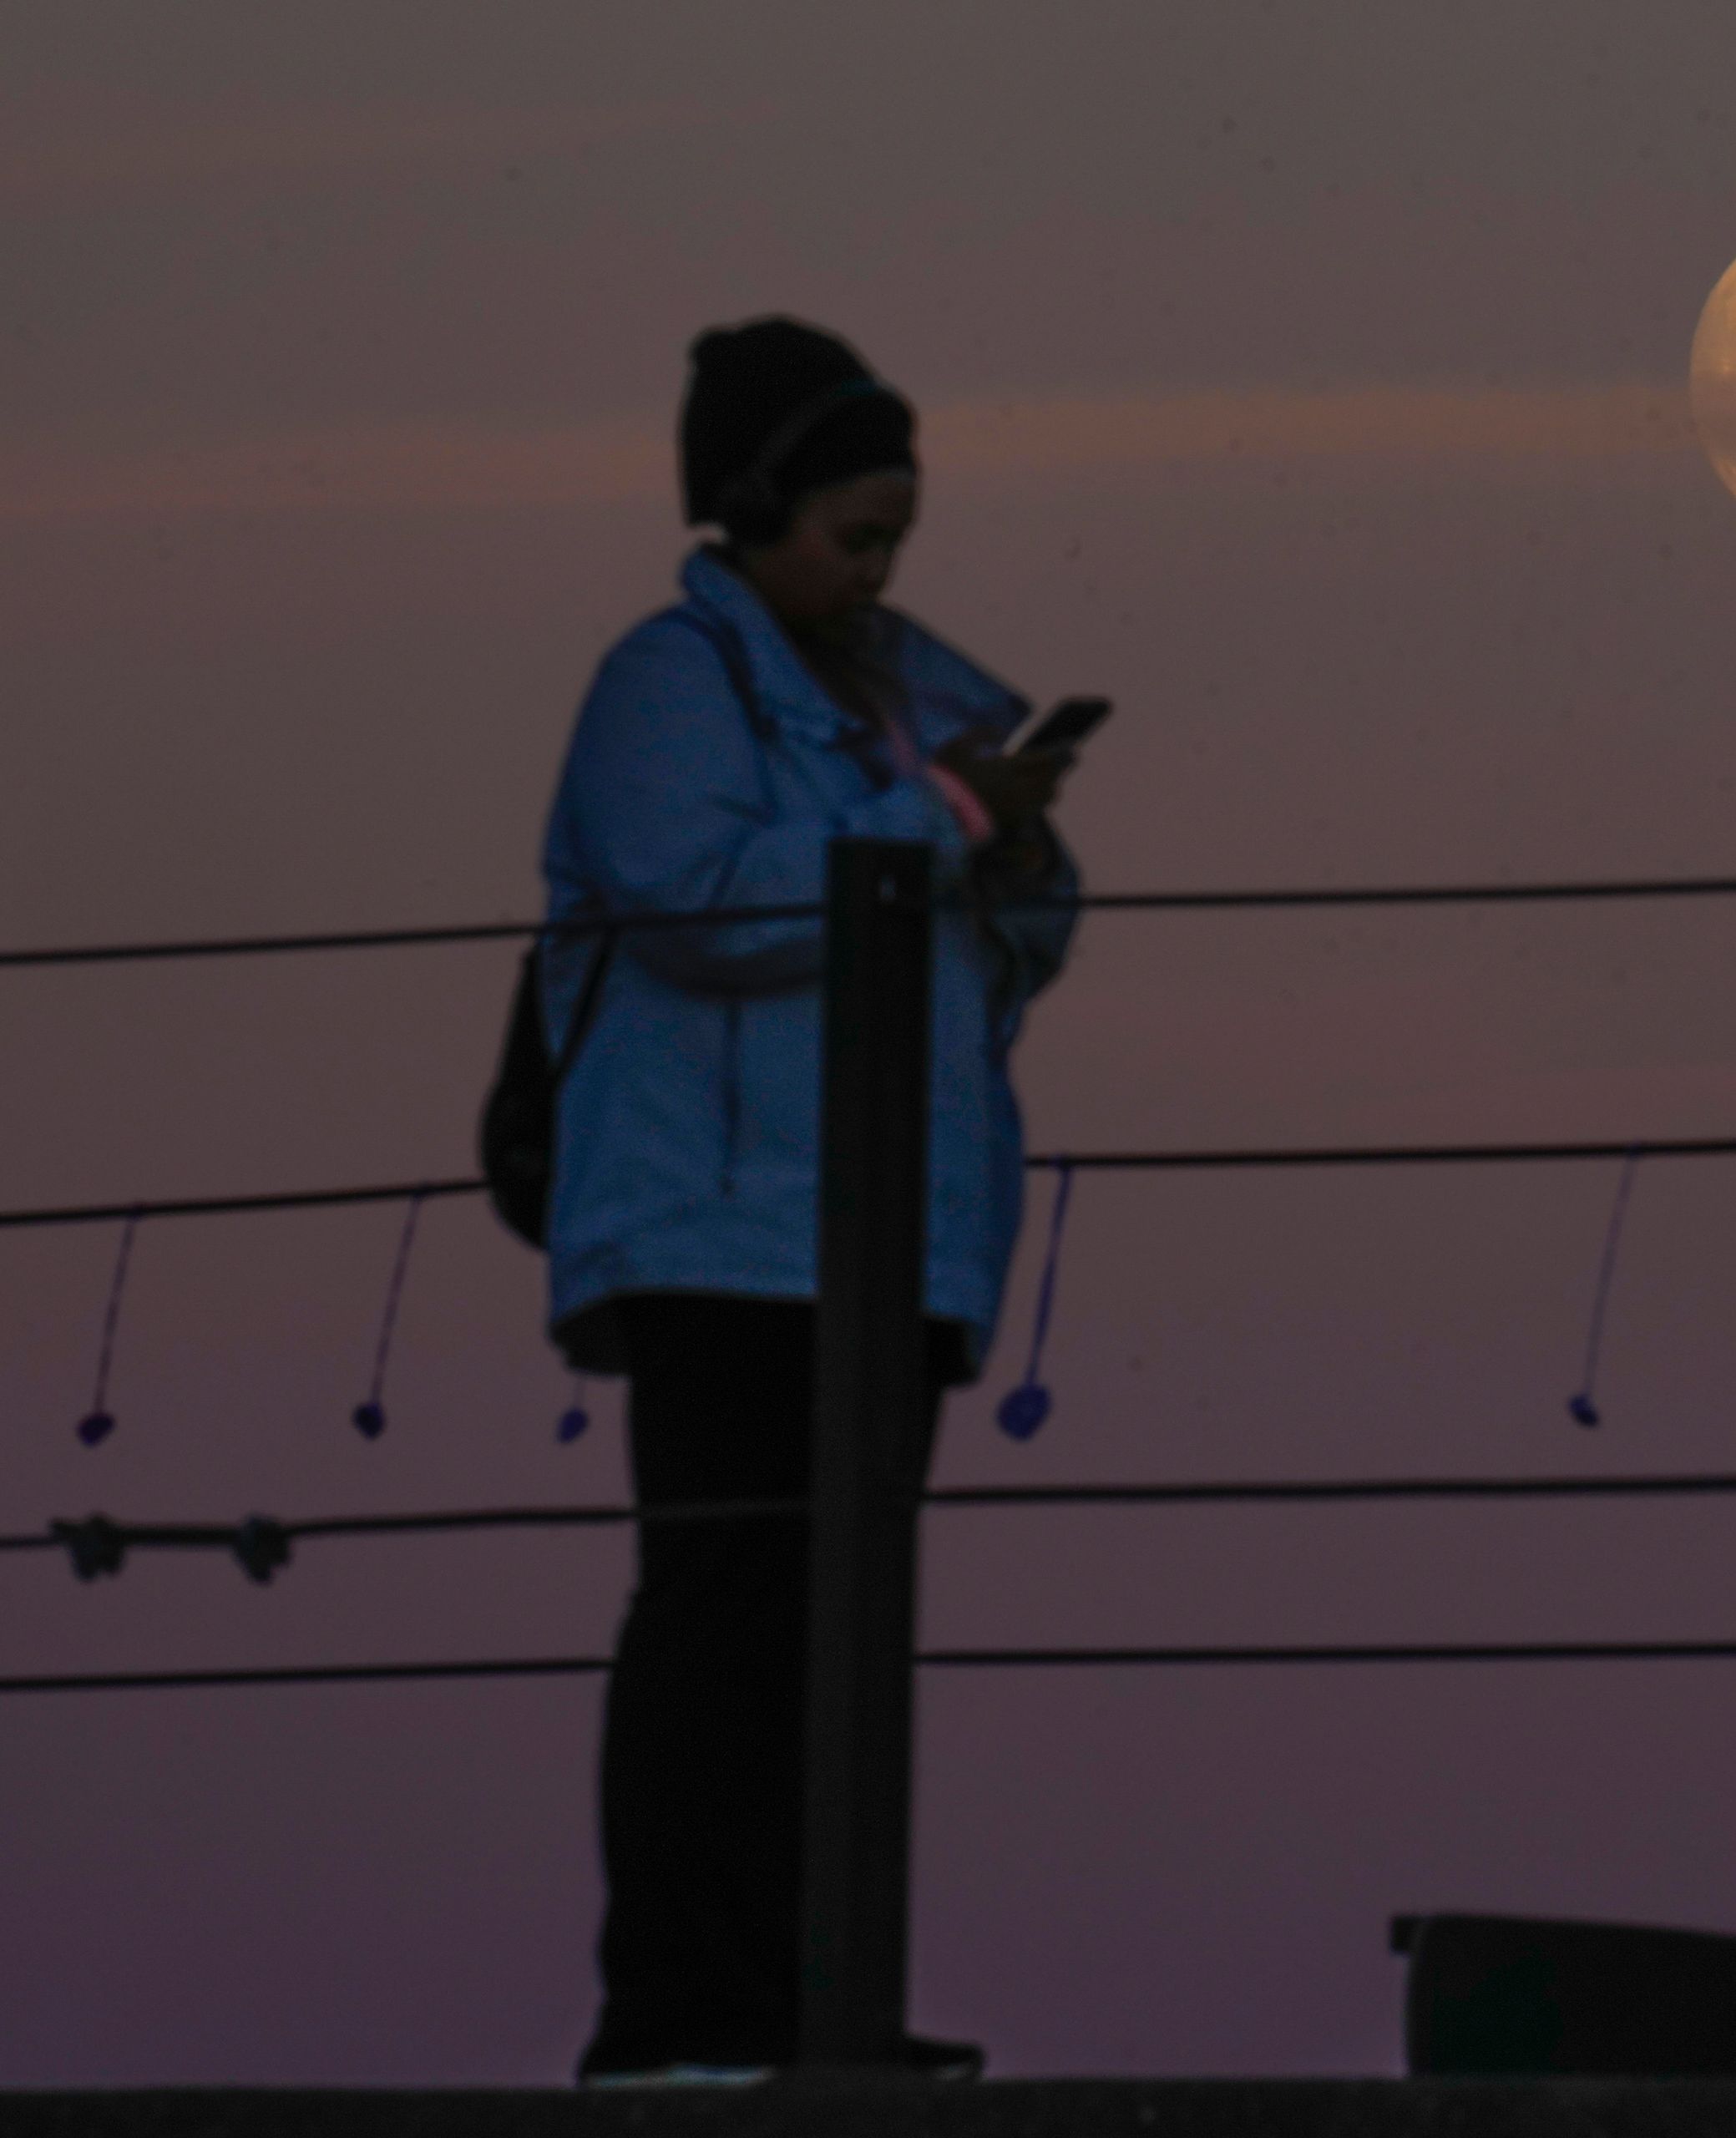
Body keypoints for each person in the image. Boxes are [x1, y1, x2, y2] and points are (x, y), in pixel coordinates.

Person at [539, 317, 1083, 2087]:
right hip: (719, 1236)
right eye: (853, 531)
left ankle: (815, 2006)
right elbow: (704, 901)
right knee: (723, 1626)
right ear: (751, 506)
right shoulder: (665, 684)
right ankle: (684, 2014)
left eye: (896, 533)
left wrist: (1013, 844)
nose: (879, 566)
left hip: (888, 1234)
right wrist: (934, 816)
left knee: (840, 1642)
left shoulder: (917, 679)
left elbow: (1018, 944)